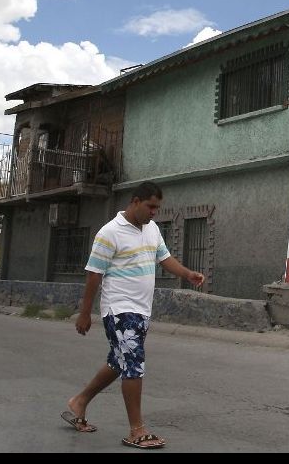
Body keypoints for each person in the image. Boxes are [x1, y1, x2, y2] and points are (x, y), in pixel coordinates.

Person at [61, 181, 205, 449]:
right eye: (151, 206)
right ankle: (137, 430)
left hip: (141, 310)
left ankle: (78, 402)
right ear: (135, 201)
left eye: (158, 207)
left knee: (119, 363)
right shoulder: (110, 232)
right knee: (134, 363)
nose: (154, 212)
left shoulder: (152, 230)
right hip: (119, 309)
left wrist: (187, 274)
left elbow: (164, 258)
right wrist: (85, 313)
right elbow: (94, 274)